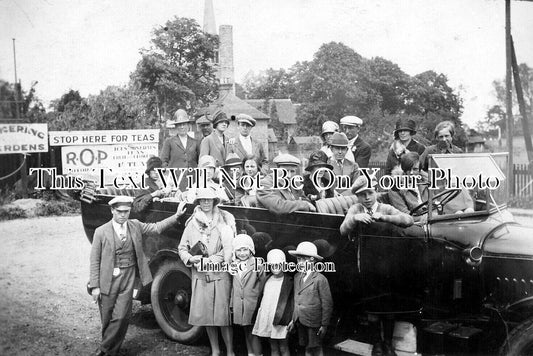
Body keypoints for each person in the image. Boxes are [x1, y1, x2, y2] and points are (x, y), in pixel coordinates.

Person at [89, 196, 187, 356]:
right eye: (119, 211)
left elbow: (156, 228)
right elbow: (94, 260)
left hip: (128, 277)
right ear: (112, 210)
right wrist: (95, 286)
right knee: (107, 318)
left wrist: (176, 217)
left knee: (121, 317)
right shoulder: (101, 232)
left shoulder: (134, 225)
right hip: (107, 279)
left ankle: (104, 350)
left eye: (126, 211)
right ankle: (111, 349)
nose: (123, 215)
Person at [178, 188, 236, 356]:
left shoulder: (224, 221)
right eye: (202, 200)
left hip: (219, 275)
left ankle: (230, 351)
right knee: (207, 317)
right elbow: (182, 248)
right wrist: (189, 258)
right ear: (198, 202)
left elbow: (228, 249)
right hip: (201, 276)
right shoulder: (192, 223)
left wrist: (211, 260)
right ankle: (215, 350)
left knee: (222, 317)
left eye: (209, 200)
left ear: (214, 202)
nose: (205, 203)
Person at [287, 242, 333, 356]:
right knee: (306, 347)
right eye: (298, 259)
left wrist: (324, 324)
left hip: (314, 322)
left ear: (313, 260)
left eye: (304, 259)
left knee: (316, 348)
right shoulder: (297, 276)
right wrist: (293, 320)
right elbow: (297, 299)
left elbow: (327, 304)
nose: (301, 263)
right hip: (301, 320)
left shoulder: (320, 279)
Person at [340, 176, 414, 236]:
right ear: (357, 197)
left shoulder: (386, 208)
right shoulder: (355, 209)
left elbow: (409, 220)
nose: (367, 197)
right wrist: (354, 218)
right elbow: (342, 231)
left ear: (376, 191)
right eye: (362, 195)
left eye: (370, 193)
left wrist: (384, 217)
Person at [253, 249, 294, 356]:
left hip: (282, 320)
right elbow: (262, 299)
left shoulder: (289, 281)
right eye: (272, 265)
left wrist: (292, 319)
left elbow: (292, 303)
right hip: (268, 318)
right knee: (273, 347)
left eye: (278, 264)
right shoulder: (266, 279)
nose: (275, 267)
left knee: (283, 347)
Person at [231, 234, 266, 356]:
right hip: (239, 305)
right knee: (246, 330)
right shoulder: (234, 265)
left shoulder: (257, 264)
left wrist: (260, 302)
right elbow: (233, 286)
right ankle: (250, 353)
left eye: (245, 249)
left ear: (251, 250)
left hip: (252, 305)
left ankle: (258, 354)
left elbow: (262, 283)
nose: (242, 253)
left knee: (253, 332)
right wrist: (232, 304)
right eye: (239, 250)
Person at [159, 109, 200, 191]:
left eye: (184, 124)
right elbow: (163, 161)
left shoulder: (195, 142)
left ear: (188, 125)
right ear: (176, 126)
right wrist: (168, 177)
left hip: (193, 182)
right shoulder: (169, 141)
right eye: (179, 125)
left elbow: (199, 162)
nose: (182, 127)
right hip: (176, 182)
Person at [387, 152, 429, 223]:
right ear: (404, 169)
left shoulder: (425, 182)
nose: (412, 172)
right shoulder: (395, 188)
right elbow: (404, 214)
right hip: (414, 225)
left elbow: (437, 202)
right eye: (409, 169)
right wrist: (424, 218)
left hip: (433, 220)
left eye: (415, 169)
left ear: (420, 170)